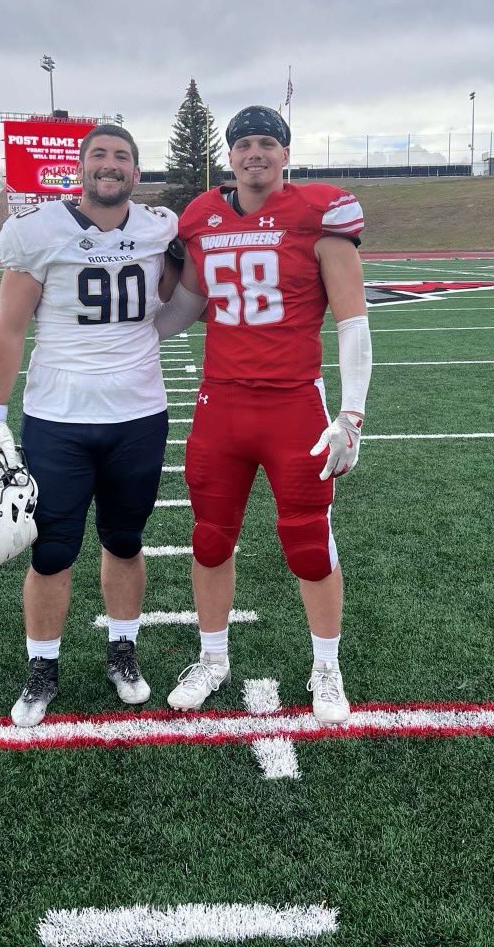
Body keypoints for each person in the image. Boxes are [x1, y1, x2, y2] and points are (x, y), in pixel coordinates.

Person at [154, 105, 372, 726]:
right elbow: (183, 311)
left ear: (284, 154)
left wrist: (351, 414)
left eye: (266, 144)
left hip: (292, 404)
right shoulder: (201, 216)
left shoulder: (318, 213)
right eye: (244, 143)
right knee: (211, 536)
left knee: (307, 542)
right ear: (230, 155)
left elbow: (352, 321)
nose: (255, 153)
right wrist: (106, 328)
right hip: (221, 403)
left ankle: (326, 664)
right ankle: (212, 656)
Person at [0, 124, 180, 727]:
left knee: (124, 540)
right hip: (58, 418)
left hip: (138, 414)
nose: (110, 165)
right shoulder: (38, 232)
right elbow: (9, 329)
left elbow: (177, 297)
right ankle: (43, 664)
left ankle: (123, 649)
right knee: (52, 551)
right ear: (81, 167)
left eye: (121, 157)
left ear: (136, 173)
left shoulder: (156, 228)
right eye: (99, 156)